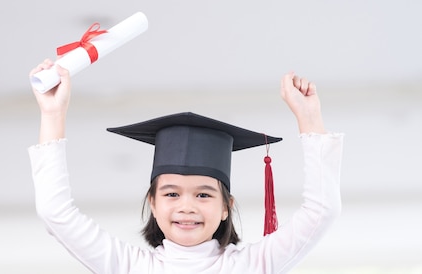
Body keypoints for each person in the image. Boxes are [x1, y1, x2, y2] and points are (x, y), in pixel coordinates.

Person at [28, 58, 344, 273]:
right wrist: (52, 115)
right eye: (171, 194)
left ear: (226, 207)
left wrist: (309, 118)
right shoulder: (131, 267)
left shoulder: (251, 265)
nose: (187, 207)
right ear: (152, 203)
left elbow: (322, 211)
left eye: (204, 195)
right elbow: (55, 212)